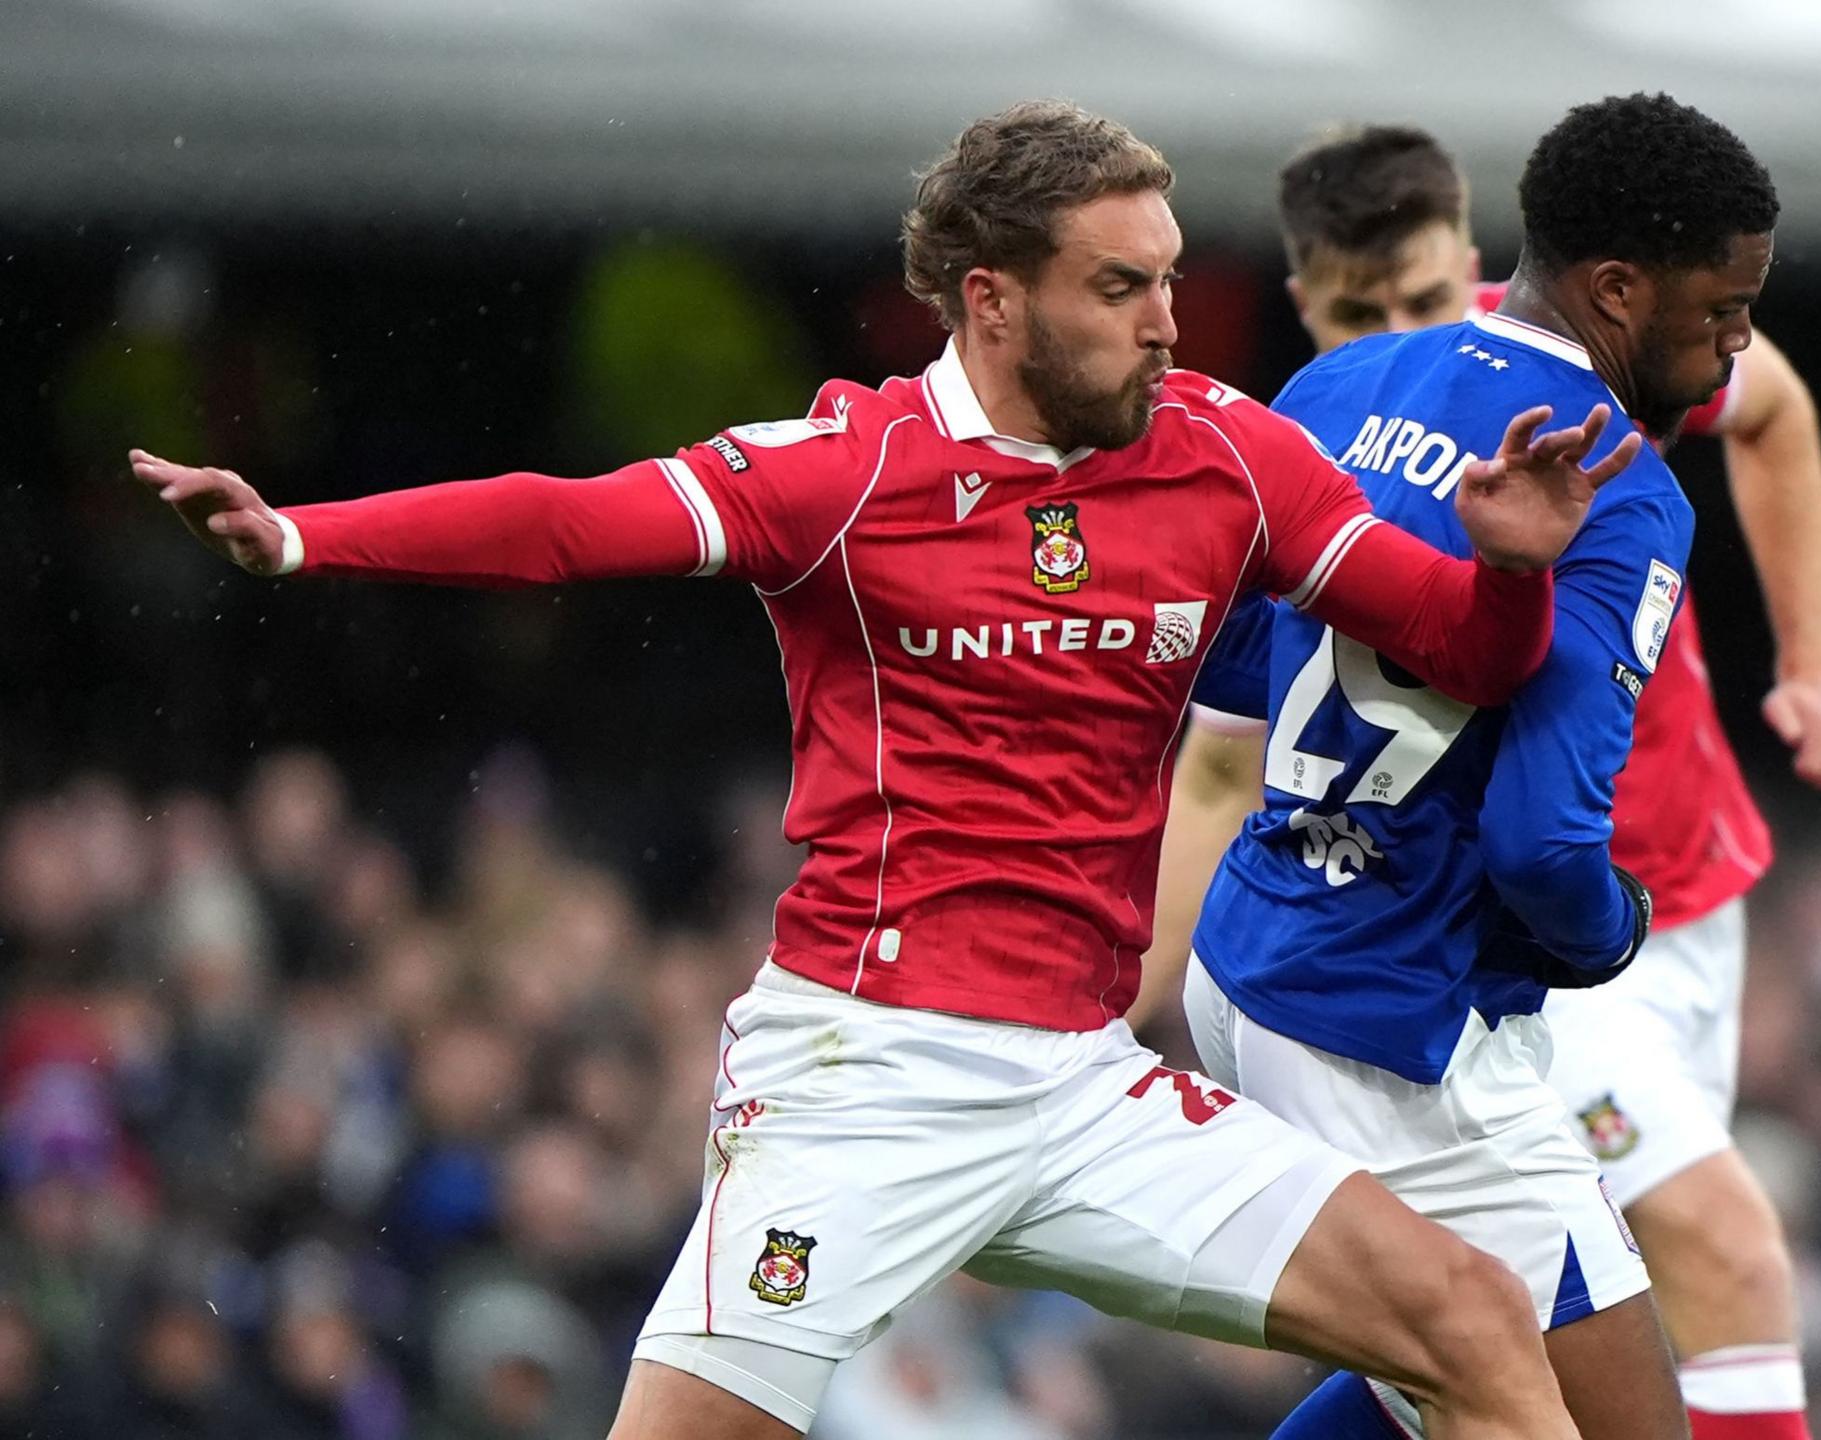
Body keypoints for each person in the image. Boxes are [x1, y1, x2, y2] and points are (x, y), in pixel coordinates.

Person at [128, 101, 1649, 1440]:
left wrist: (1514, 573)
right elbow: (566, 521)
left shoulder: (1224, 453)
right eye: (1122, 289)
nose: (1170, 323)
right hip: (870, 1076)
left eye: (1171, 278)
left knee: (1468, 1320)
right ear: (994, 301)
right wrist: (303, 535)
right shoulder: (847, 472)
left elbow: (1464, 645)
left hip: (1086, 1082)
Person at [1146, 117, 1821, 1440]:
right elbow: (1543, 848)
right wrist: (1617, 931)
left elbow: (1242, 675)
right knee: (1619, 1409)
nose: (1734, 345)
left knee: (1458, 1363)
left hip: (1263, 951)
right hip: (1398, 1020)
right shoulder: (1620, 492)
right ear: (1618, 291)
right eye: (1725, 311)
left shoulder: (1334, 389)